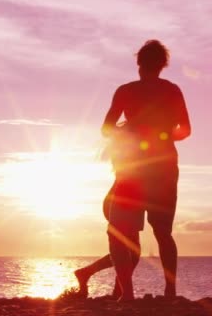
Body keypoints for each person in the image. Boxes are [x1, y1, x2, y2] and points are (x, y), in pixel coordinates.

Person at [102, 39, 191, 301]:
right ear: (163, 65)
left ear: (139, 62)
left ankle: (127, 294)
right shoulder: (172, 91)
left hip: (133, 169)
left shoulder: (126, 91)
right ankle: (170, 292)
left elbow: (106, 129)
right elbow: (185, 130)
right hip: (163, 168)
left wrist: (129, 130)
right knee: (163, 232)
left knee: (118, 231)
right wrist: (161, 135)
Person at [74, 123, 141, 299]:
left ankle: (90, 275)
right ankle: (124, 293)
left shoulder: (131, 144)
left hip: (128, 199)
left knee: (132, 251)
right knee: (124, 247)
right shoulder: (127, 146)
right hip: (122, 199)